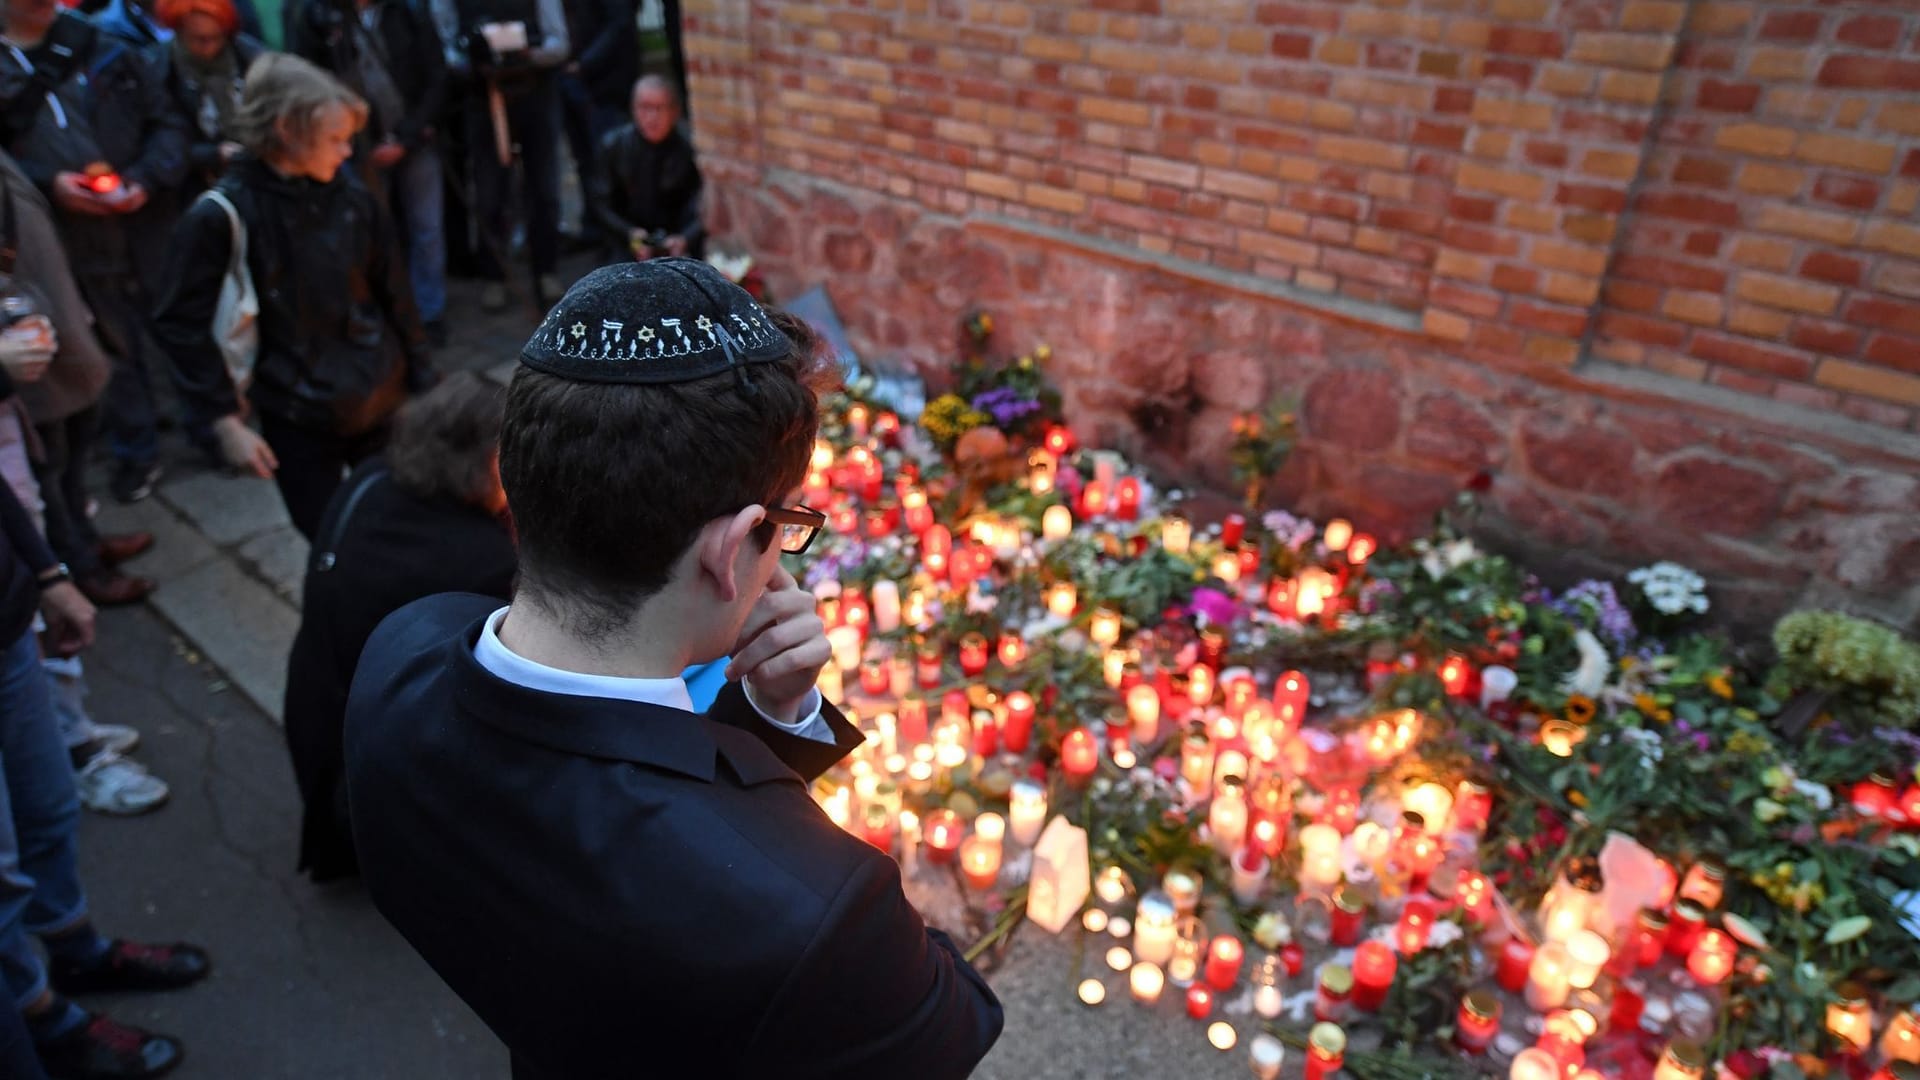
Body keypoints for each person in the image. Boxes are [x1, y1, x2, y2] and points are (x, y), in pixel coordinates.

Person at [345, 259, 1004, 1079]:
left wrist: (774, 720)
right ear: (733, 551)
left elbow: (619, 803)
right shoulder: (817, 915)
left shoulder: (398, 653)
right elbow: (953, 1020)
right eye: (789, 523)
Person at [153, 53, 434, 541]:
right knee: (330, 537)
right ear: (287, 129)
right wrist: (222, 419)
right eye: (335, 139)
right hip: (296, 414)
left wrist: (424, 382)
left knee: (397, 528)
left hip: (379, 396)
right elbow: (180, 322)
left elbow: (396, 296)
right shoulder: (220, 217)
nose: (348, 151)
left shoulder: (353, 199)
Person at [0, 477, 211, 1080]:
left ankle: (75, 951)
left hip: (8, 629)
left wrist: (47, 575)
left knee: (49, 805)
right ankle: (42, 1018)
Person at [284, 371, 514, 882]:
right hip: (385, 742)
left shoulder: (368, 480)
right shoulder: (478, 559)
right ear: (479, 463)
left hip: (316, 696)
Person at [0, 0, 189, 505]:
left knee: (180, 324)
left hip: (146, 224)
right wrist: (50, 185)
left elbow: (169, 121)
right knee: (109, 341)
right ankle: (137, 451)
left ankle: (213, 426)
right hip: (66, 240)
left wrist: (144, 181)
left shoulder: (106, 44)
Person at [0, 150, 155, 607]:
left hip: (49, 301)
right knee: (46, 460)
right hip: (18, 329)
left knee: (78, 438)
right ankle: (73, 565)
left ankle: (85, 539)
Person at [288, 0, 450, 343]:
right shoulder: (318, 16)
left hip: (413, 140)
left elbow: (436, 74)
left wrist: (407, 136)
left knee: (427, 230)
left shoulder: (407, 11)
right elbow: (307, 82)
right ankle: (388, 316)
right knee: (373, 234)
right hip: (355, 151)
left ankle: (429, 313)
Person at [429, 0, 567, 310]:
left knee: (544, 190)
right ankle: (495, 276)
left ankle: (546, 270)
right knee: (490, 194)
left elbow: (559, 42)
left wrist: (528, 56)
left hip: (535, 95)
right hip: (483, 99)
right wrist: (474, 63)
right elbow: (446, 44)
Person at [151, 0, 266, 195]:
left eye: (217, 37)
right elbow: (161, 141)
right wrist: (213, 154)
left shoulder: (249, 56)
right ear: (178, 31)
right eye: (199, 39)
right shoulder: (159, 69)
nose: (209, 46)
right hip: (193, 183)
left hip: (256, 167)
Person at [588, 74, 703, 265]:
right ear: (633, 109)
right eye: (644, 108)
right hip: (627, 244)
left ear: (674, 111)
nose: (651, 117)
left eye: (659, 108)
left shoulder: (690, 150)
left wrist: (685, 238)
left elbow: (705, 207)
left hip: (679, 243)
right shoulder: (614, 146)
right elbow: (601, 203)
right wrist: (629, 234)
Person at [556, 0, 630, 231]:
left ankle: (621, 233)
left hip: (604, 85)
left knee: (611, 164)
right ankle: (595, 227)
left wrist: (583, 64)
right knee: (585, 161)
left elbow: (619, 23)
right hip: (568, 79)